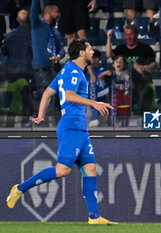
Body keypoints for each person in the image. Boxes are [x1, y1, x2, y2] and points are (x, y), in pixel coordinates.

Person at [6, 39, 116, 225]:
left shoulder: (67, 70)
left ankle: (94, 217)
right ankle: (20, 189)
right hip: (71, 127)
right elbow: (71, 95)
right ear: (81, 52)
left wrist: (41, 116)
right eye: (89, 48)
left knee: (90, 170)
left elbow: (48, 92)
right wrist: (94, 103)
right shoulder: (73, 71)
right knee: (62, 170)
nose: (92, 52)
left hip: (80, 129)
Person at [106, 24, 157, 114]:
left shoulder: (145, 48)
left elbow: (154, 64)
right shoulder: (121, 48)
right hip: (127, 87)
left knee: (146, 111)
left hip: (142, 84)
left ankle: (149, 127)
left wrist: (144, 67)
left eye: (131, 34)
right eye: (126, 34)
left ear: (136, 35)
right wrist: (109, 38)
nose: (128, 37)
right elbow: (109, 55)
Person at [31, 0, 65, 120]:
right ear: (49, 12)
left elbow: (62, 49)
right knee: (45, 94)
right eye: (57, 12)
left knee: (58, 95)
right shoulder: (37, 26)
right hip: (41, 68)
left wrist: (59, 56)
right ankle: (43, 122)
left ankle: (56, 121)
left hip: (54, 68)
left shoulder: (55, 32)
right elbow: (33, 11)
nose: (59, 14)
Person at [86, 49, 112, 127]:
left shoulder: (101, 69)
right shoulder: (87, 71)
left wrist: (90, 70)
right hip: (90, 102)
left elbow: (95, 80)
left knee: (101, 125)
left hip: (101, 102)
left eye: (91, 58)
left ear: (96, 59)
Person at [110, 55, 131, 127]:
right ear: (113, 64)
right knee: (114, 116)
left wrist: (129, 81)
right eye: (117, 62)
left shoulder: (126, 73)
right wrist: (105, 73)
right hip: (114, 100)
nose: (118, 64)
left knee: (124, 117)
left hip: (124, 99)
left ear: (123, 64)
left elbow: (132, 86)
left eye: (120, 62)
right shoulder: (110, 74)